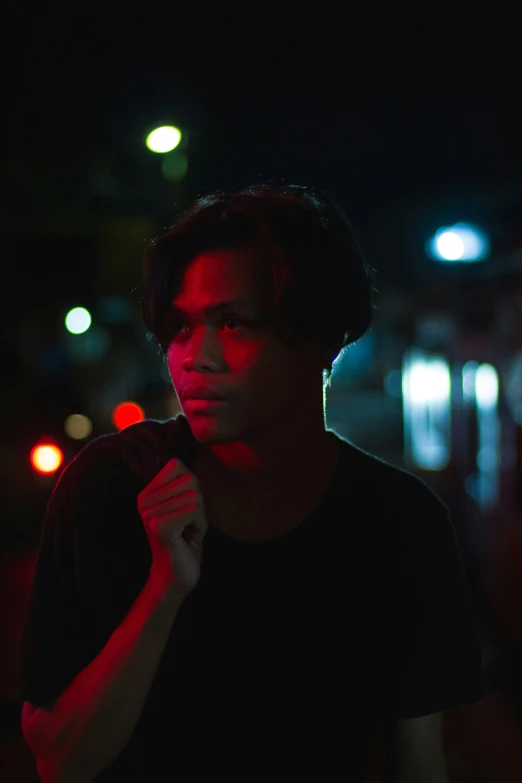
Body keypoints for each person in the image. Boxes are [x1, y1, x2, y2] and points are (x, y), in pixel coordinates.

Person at [18, 184, 485, 782]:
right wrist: (162, 592)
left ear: (322, 339)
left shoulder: (401, 522)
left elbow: (419, 762)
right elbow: (60, 759)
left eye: (234, 323)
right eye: (181, 327)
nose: (195, 357)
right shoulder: (114, 485)